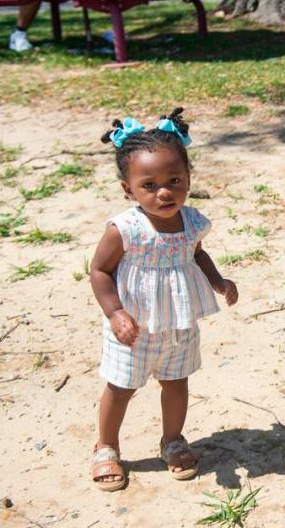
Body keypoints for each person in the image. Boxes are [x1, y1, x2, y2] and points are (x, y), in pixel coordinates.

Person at [89, 108, 239, 491]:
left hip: (179, 324)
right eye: (150, 185)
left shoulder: (192, 222)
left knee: (176, 383)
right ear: (129, 189)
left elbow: (196, 253)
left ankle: (172, 440)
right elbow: (100, 271)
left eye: (175, 180)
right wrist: (115, 312)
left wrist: (218, 281)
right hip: (134, 328)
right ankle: (106, 447)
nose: (164, 191)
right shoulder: (125, 229)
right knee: (120, 387)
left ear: (189, 178)